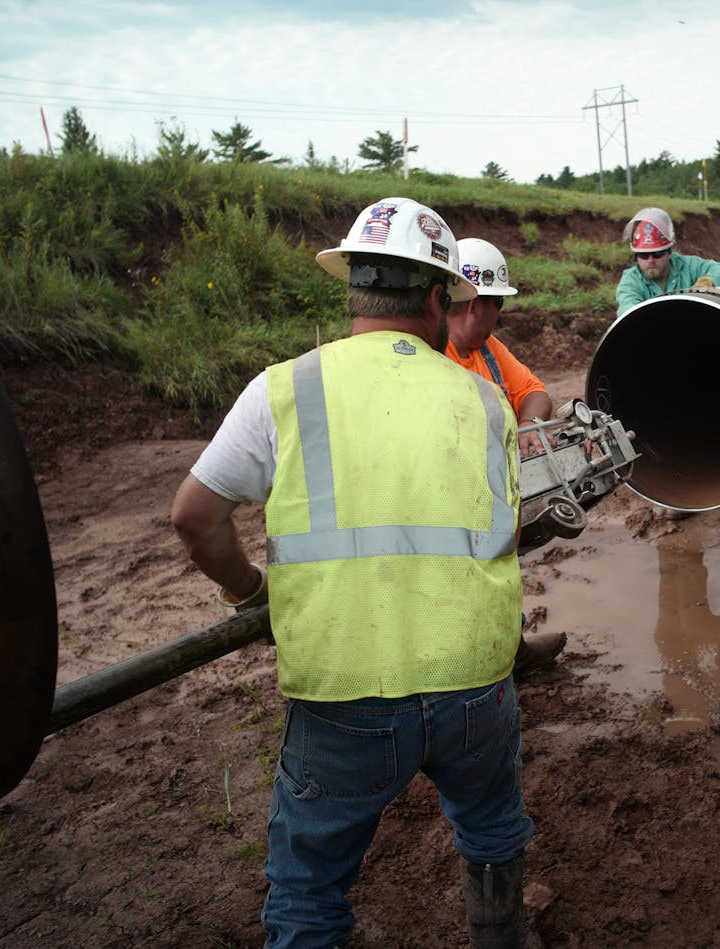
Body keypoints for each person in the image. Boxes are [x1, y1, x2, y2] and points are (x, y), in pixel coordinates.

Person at [169, 196, 534, 948]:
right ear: (437, 297)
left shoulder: (283, 388)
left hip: (342, 689)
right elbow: (507, 526)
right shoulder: (485, 399)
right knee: (493, 829)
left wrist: (250, 593)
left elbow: (194, 517)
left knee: (307, 889)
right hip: (473, 679)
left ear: (353, 289)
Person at [448, 236, 567, 672]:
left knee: (502, 567)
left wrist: (528, 427)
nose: (500, 315)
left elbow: (534, 392)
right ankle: (484, 661)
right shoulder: (433, 355)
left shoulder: (488, 349)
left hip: (493, 489)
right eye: (498, 304)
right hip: (449, 492)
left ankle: (510, 646)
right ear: (477, 303)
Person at [614, 207, 720, 316]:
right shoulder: (631, 281)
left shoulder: (689, 266)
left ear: (669, 252)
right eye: (644, 255)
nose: (650, 260)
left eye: (657, 254)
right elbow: (628, 309)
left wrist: (708, 282)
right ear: (636, 256)